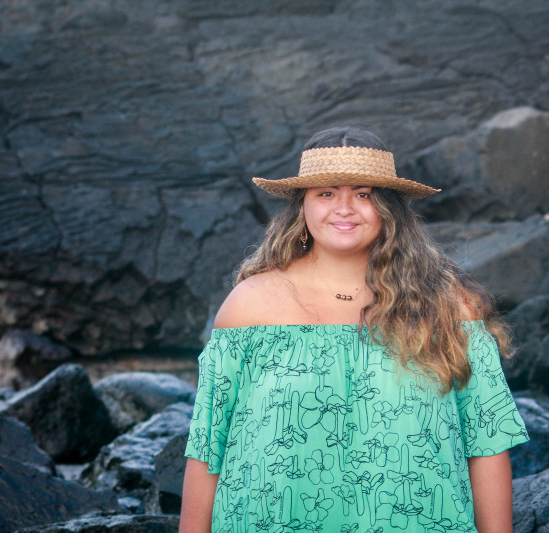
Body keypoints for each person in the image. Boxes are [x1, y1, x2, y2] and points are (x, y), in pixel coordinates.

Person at [180, 127, 529, 533]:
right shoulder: (250, 305)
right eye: (326, 193)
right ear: (302, 206)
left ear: (389, 208)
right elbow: (208, 447)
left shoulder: (448, 306)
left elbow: (487, 445)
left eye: (363, 194)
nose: (344, 208)